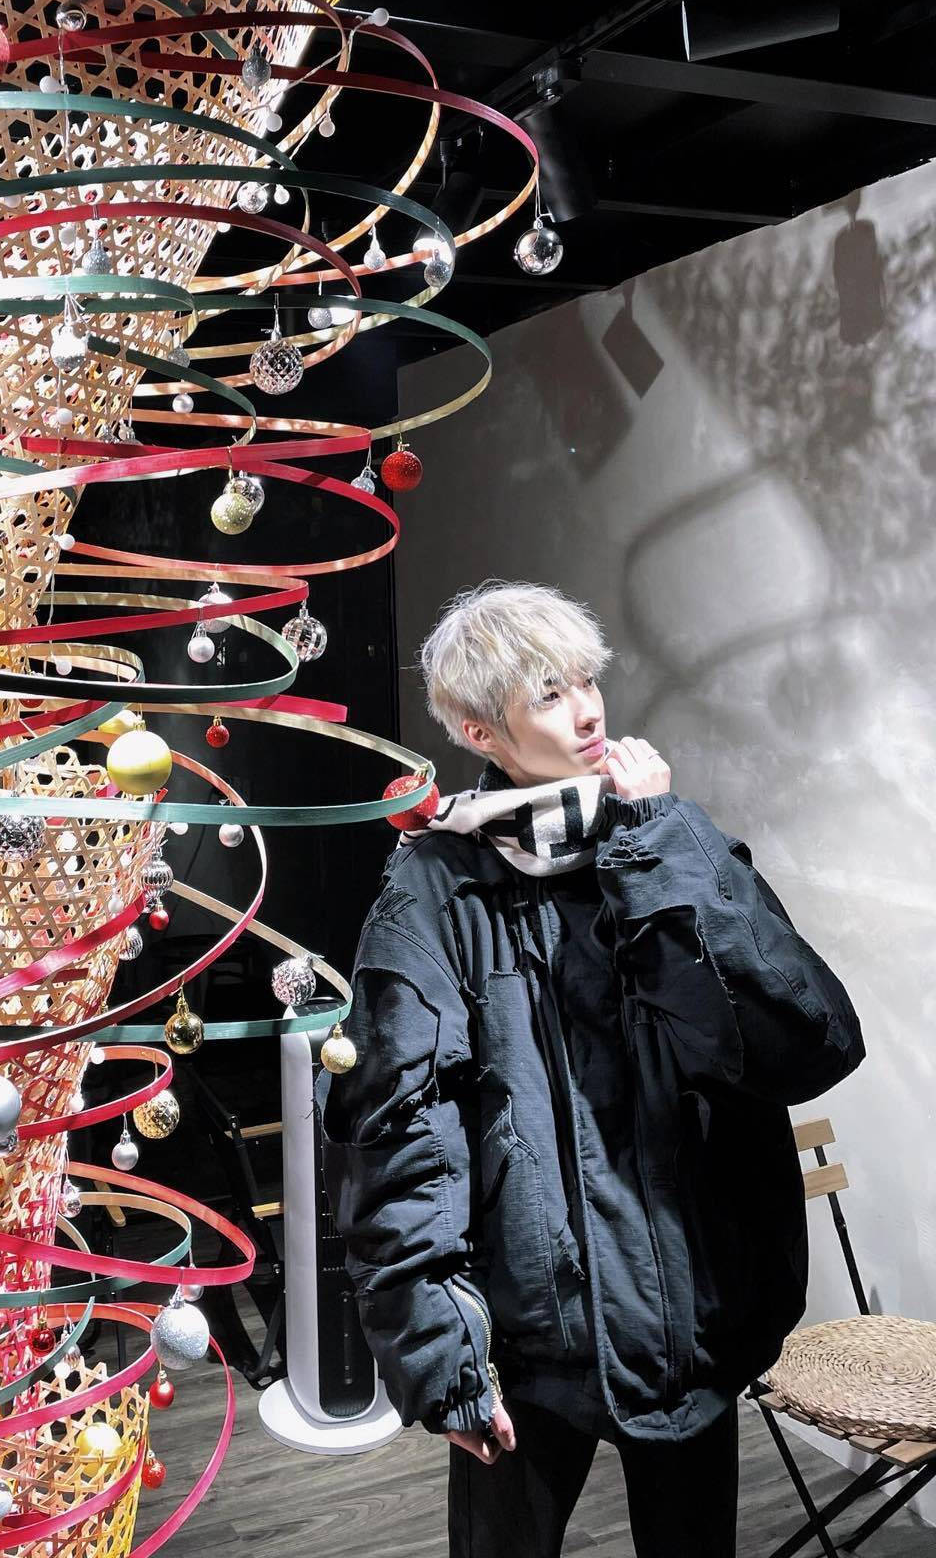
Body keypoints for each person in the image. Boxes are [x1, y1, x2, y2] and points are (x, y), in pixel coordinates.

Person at [320, 579, 866, 1558]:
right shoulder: (439, 883)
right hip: (528, 1345)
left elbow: (803, 1045)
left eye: (585, 681)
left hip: (691, 1326)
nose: (586, 711)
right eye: (548, 694)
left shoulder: (667, 837)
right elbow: (397, 1133)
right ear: (480, 732)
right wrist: (443, 1352)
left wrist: (661, 846)